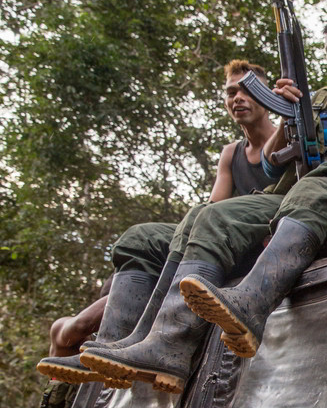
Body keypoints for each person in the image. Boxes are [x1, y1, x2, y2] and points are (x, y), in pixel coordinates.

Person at [81, 16, 327, 392]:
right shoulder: (319, 101)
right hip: (294, 195)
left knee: (265, 202)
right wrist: (289, 118)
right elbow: (272, 165)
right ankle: (149, 341)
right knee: (187, 222)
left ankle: (180, 337)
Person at [36, 59, 278, 386]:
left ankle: (164, 339)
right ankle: (112, 344)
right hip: (218, 233)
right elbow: (213, 208)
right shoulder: (230, 153)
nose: (238, 98)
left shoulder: (284, 138)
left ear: (267, 97)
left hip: (256, 242)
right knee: (141, 237)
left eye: (249, 91)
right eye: (231, 92)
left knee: (202, 218)